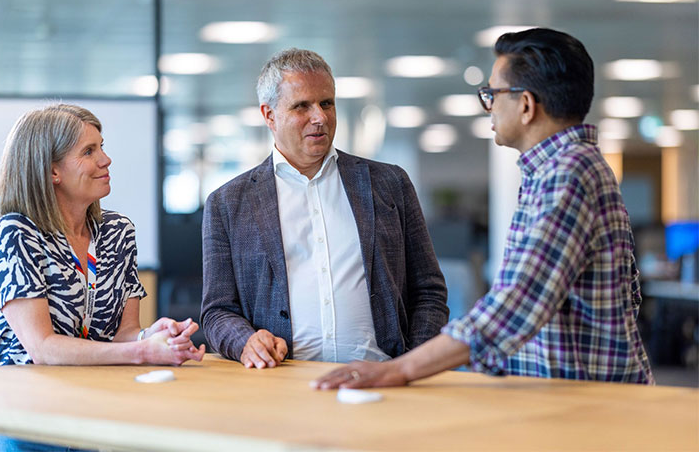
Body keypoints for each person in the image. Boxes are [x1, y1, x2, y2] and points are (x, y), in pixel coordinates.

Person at [312, 28, 655, 390]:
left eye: (492, 94)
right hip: (567, 395)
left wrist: (399, 369)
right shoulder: (559, 169)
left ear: (526, 105)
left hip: (591, 405)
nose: (488, 106)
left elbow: (516, 305)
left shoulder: (568, 173)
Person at [201, 48, 448, 369]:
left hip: (383, 379)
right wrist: (246, 342)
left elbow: (428, 291)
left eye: (326, 103)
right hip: (281, 383)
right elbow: (217, 311)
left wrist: (412, 364)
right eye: (302, 106)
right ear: (269, 115)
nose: (319, 117)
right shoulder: (228, 202)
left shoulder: (388, 183)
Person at [0, 104, 205, 368]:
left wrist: (151, 336)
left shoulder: (118, 231)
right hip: (22, 395)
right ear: (53, 171)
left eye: (101, 146)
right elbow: (42, 348)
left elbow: (124, 336)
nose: (105, 159)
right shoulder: (17, 235)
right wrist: (143, 352)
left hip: (94, 387)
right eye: (89, 151)